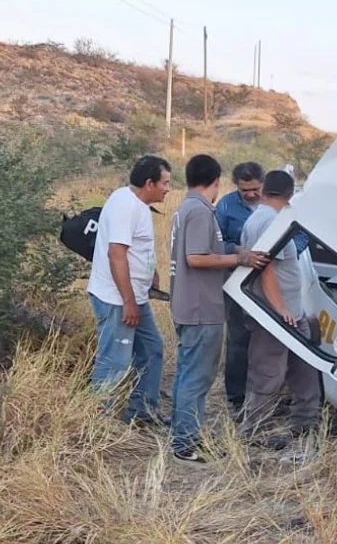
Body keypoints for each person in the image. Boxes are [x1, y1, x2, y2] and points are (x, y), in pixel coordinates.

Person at [168, 154, 269, 463]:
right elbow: (196, 257)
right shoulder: (199, 211)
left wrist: (235, 252)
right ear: (217, 181)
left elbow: (202, 251)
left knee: (188, 373)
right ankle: (185, 444)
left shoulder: (187, 208)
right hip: (201, 307)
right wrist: (240, 259)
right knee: (197, 377)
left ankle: (187, 431)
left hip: (189, 304)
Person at [239, 170, 321, 450]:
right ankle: (253, 431)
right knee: (268, 374)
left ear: (264, 190)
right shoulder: (267, 221)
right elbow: (266, 268)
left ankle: (307, 422)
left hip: (290, 314)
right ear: (289, 195)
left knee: (305, 369)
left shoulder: (270, 218)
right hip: (274, 317)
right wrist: (279, 309)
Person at [87, 155, 171, 426]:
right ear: (149, 183)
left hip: (134, 295)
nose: (168, 188)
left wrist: (151, 272)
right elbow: (116, 254)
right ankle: (99, 425)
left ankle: (142, 412)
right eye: (165, 183)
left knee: (152, 349)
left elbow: (137, 248)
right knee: (115, 361)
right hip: (117, 299)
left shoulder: (137, 203)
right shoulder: (126, 205)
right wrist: (128, 302)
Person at [215, 161, 265, 418]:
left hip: (272, 282)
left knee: (268, 341)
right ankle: (236, 397)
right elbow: (216, 242)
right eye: (245, 190)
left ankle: (265, 394)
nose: (251, 194)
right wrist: (238, 252)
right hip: (238, 281)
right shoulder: (225, 206)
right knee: (237, 340)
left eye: (255, 189)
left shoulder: (275, 204)